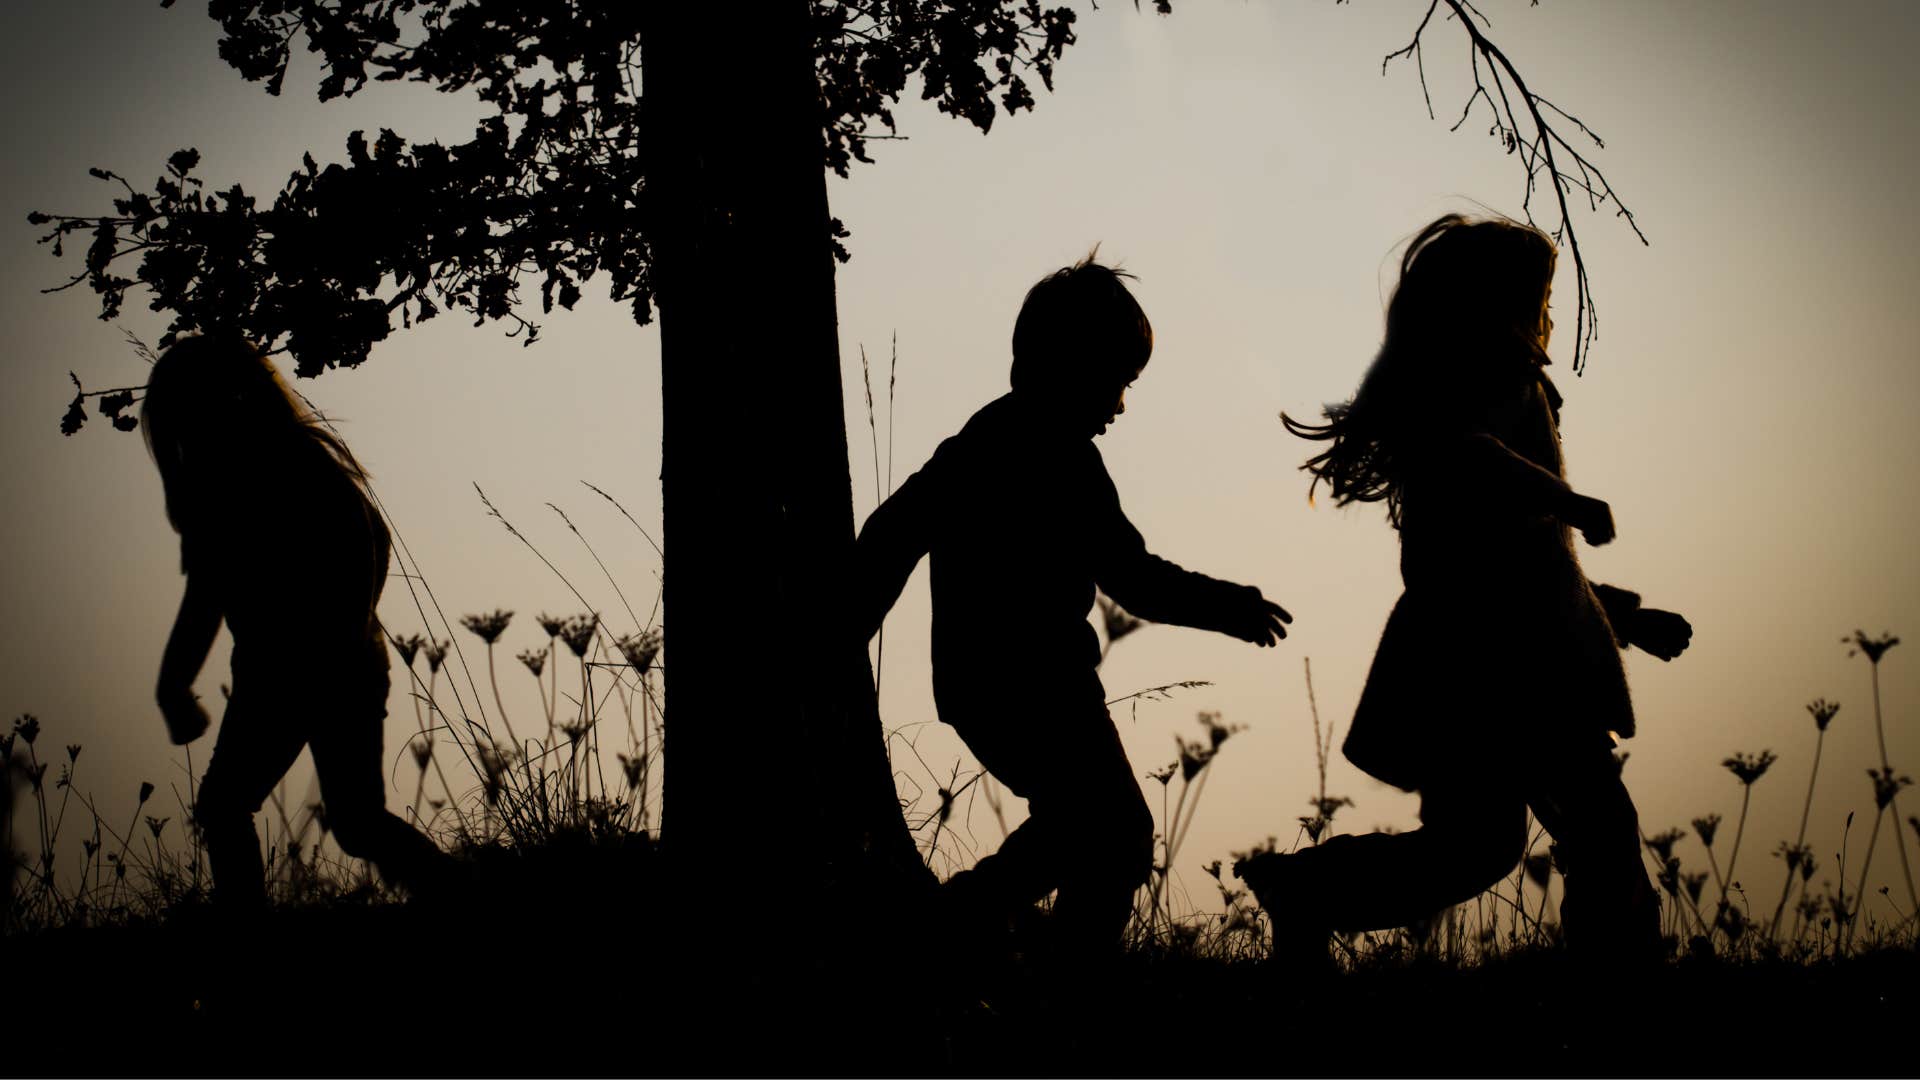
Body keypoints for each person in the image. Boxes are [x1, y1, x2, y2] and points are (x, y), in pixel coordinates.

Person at [1236, 214, 1692, 962]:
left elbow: (1528, 563)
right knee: (1590, 833)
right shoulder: (1476, 389)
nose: (1548, 309)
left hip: (1498, 659)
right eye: (1538, 293)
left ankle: (1309, 890)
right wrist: (1564, 496)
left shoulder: (1492, 389)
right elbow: (1468, 459)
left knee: (1477, 850)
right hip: (1492, 667)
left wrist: (1623, 618)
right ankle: (1622, 989)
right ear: (1494, 303)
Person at [854, 254, 1293, 955]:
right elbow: (1132, 575)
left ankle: (989, 935)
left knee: (1087, 828)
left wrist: (848, 619)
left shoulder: (976, 442)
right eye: (1116, 381)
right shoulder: (1057, 456)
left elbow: (894, 531)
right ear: (1071, 364)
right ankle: (986, 936)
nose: (1120, 405)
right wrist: (1226, 606)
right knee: (1114, 831)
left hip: (977, 685)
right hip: (1039, 686)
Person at [147, 334, 452, 908]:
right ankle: (458, 893)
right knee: (355, 821)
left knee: (229, 806)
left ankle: (248, 937)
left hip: (305, 667)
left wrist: (174, 685)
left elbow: (207, 600)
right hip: (338, 662)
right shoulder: (295, 468)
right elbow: (209, 597)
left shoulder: (273, 476)